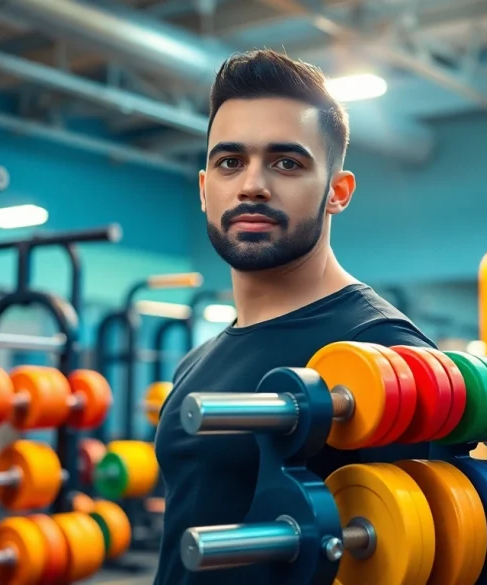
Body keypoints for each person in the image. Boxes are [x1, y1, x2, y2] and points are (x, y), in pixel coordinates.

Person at [152, 49, 436, 585]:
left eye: (286, 163)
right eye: (230, 162)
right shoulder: (198, 361)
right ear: (204, 190)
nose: (252, 185)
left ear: (337, 193)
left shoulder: (387, 353)